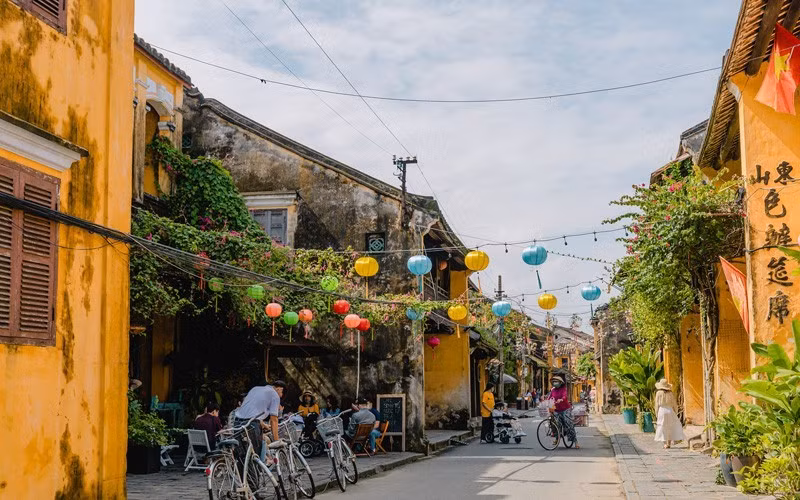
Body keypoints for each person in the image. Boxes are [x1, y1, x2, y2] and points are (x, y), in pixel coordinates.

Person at [234, 380, 287, 460]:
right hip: (251, 424)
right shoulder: (274, 395)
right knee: (255, 456)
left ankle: (243, 472)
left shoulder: (255, 389)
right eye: (282, 394)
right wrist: (276, 440)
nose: (280, 397)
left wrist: (263, 425)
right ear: (280, 389)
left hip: (237, 422)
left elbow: (252, 411)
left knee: (242, 456)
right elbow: (274, 420)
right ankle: (256, 471)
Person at [549, 375, 579, 449]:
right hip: (556, 409)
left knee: (568, 423)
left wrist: (561, 399)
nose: (555, 383)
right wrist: (545, 401)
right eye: (554, 381)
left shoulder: (563, 389)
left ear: (560, 382)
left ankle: (575, 441)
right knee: (555, 423)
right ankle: (557, 438)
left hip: (565, 409)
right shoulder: (553, 390)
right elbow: (549, 398)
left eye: (556, 381)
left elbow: (565, 396)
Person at [654, 379, 684, 449]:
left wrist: (656, 413)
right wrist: (675, 412)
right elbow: (674, 404)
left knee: (662, 426)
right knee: (670, 426)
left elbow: (656, 404)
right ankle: (669, 443)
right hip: (670, 410)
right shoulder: (670, 393)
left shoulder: (658, 393)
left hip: (662, 410)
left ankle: (665, 443)